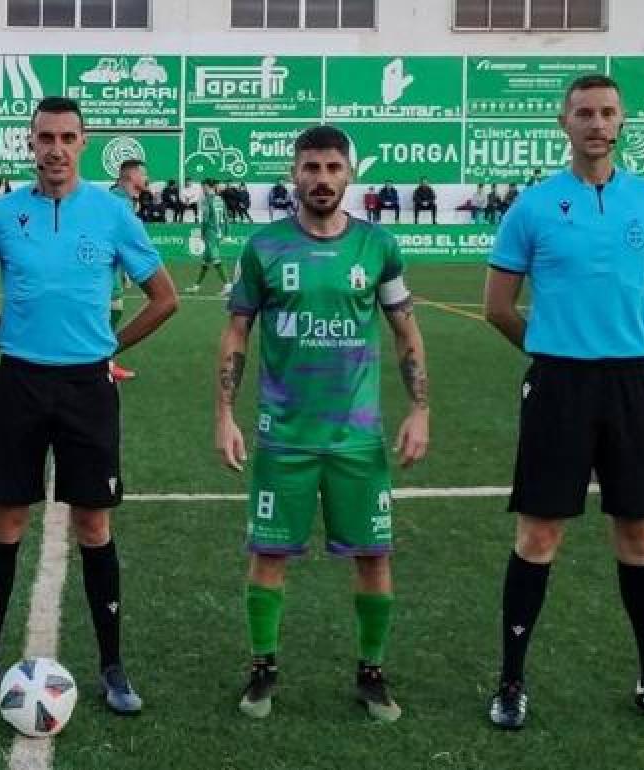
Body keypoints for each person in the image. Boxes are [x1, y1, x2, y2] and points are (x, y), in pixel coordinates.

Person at [483, 73, 644, 733]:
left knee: (640, 531)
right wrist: (556, 347)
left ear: (622, 122)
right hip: (559, 384)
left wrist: (628, 342)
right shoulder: (535, 205)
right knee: (539, 533)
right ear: (564, 122)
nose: (597, 123)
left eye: (608, 112)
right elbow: (497, 306)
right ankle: (511, 682)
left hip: (634, 383)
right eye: (584, 112)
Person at [0, 96, 178, 716]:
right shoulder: (1, 215)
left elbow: (164, 298)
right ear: (30, 144)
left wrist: (111, 346)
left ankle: (113, 667)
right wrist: (3, 328)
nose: (56, 147)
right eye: (45, 137)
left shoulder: (112, 213)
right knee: (7, 520)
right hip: (20, 382)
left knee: (94, 524)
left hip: (88, 387)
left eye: (67, 137)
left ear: (83, 144)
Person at [218, 124, 429, 723]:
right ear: (294, 173)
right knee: (269, 555)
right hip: (282, 437)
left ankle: (372, 675)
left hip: (356, 439)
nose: (322, 179)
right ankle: (262, 671)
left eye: (333, 168)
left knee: (374, 555)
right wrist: (224, 414)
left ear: (349, 174)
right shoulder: (263, 249)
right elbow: (237, 333)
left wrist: (420, 408)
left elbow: (405, 330)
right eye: (311, 168)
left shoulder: (378, 246)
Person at [108, 159, 152, 381]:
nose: (147, 178)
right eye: (143, 173)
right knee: (111, 311)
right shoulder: (116, 201)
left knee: (114, 310)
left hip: (113, 271)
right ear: (131, 176)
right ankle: (101, 362)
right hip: (103, 274)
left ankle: (105, 362)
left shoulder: (124, 200)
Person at [187, 179, 232, 295]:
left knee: (215, 259)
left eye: (203, 187)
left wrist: (202, 232)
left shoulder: (207, 200)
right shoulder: (220, 199)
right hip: (218, 232)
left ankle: (227, 284)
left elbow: (205, 219)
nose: (202, 189)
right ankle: (196, 286)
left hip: (210, 233)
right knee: (206, 261)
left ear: (207, 186)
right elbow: (226, 217)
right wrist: (227, 234)